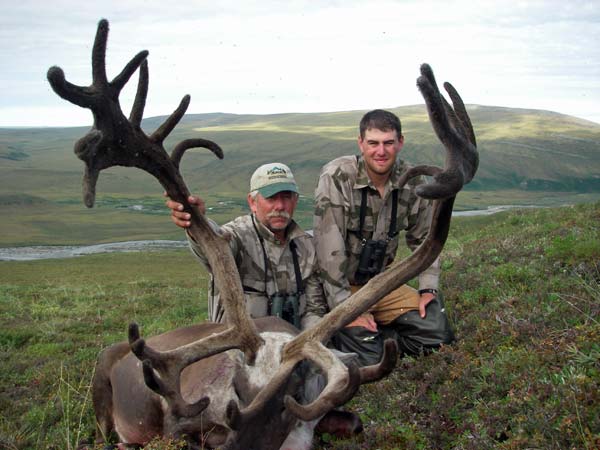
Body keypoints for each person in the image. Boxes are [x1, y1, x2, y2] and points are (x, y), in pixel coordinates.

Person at [313, 109, 455, 366]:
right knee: (370, 358)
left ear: (400, 142)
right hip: (341, 286)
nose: (381, 151)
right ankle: (363, 338)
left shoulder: (412, 181)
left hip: (380, 284)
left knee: (438, 335)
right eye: (373, 143)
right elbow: (328, 250)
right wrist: (346, 309)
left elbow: (424, 240)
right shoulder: (336, 176)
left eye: (388, 143)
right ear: (360, 143)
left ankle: (376, 336)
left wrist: (427, 288)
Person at [167, 162, 327, 330]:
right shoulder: (237, 235)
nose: (280, 206)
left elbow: (314, 308)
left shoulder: (307, 246)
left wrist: (306, 342)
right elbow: (215, 246)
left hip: (293, 347)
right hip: (239, 349)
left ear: (295, 200)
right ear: (252, 202)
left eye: (286, 197)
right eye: (271, 198)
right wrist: (199, 224)